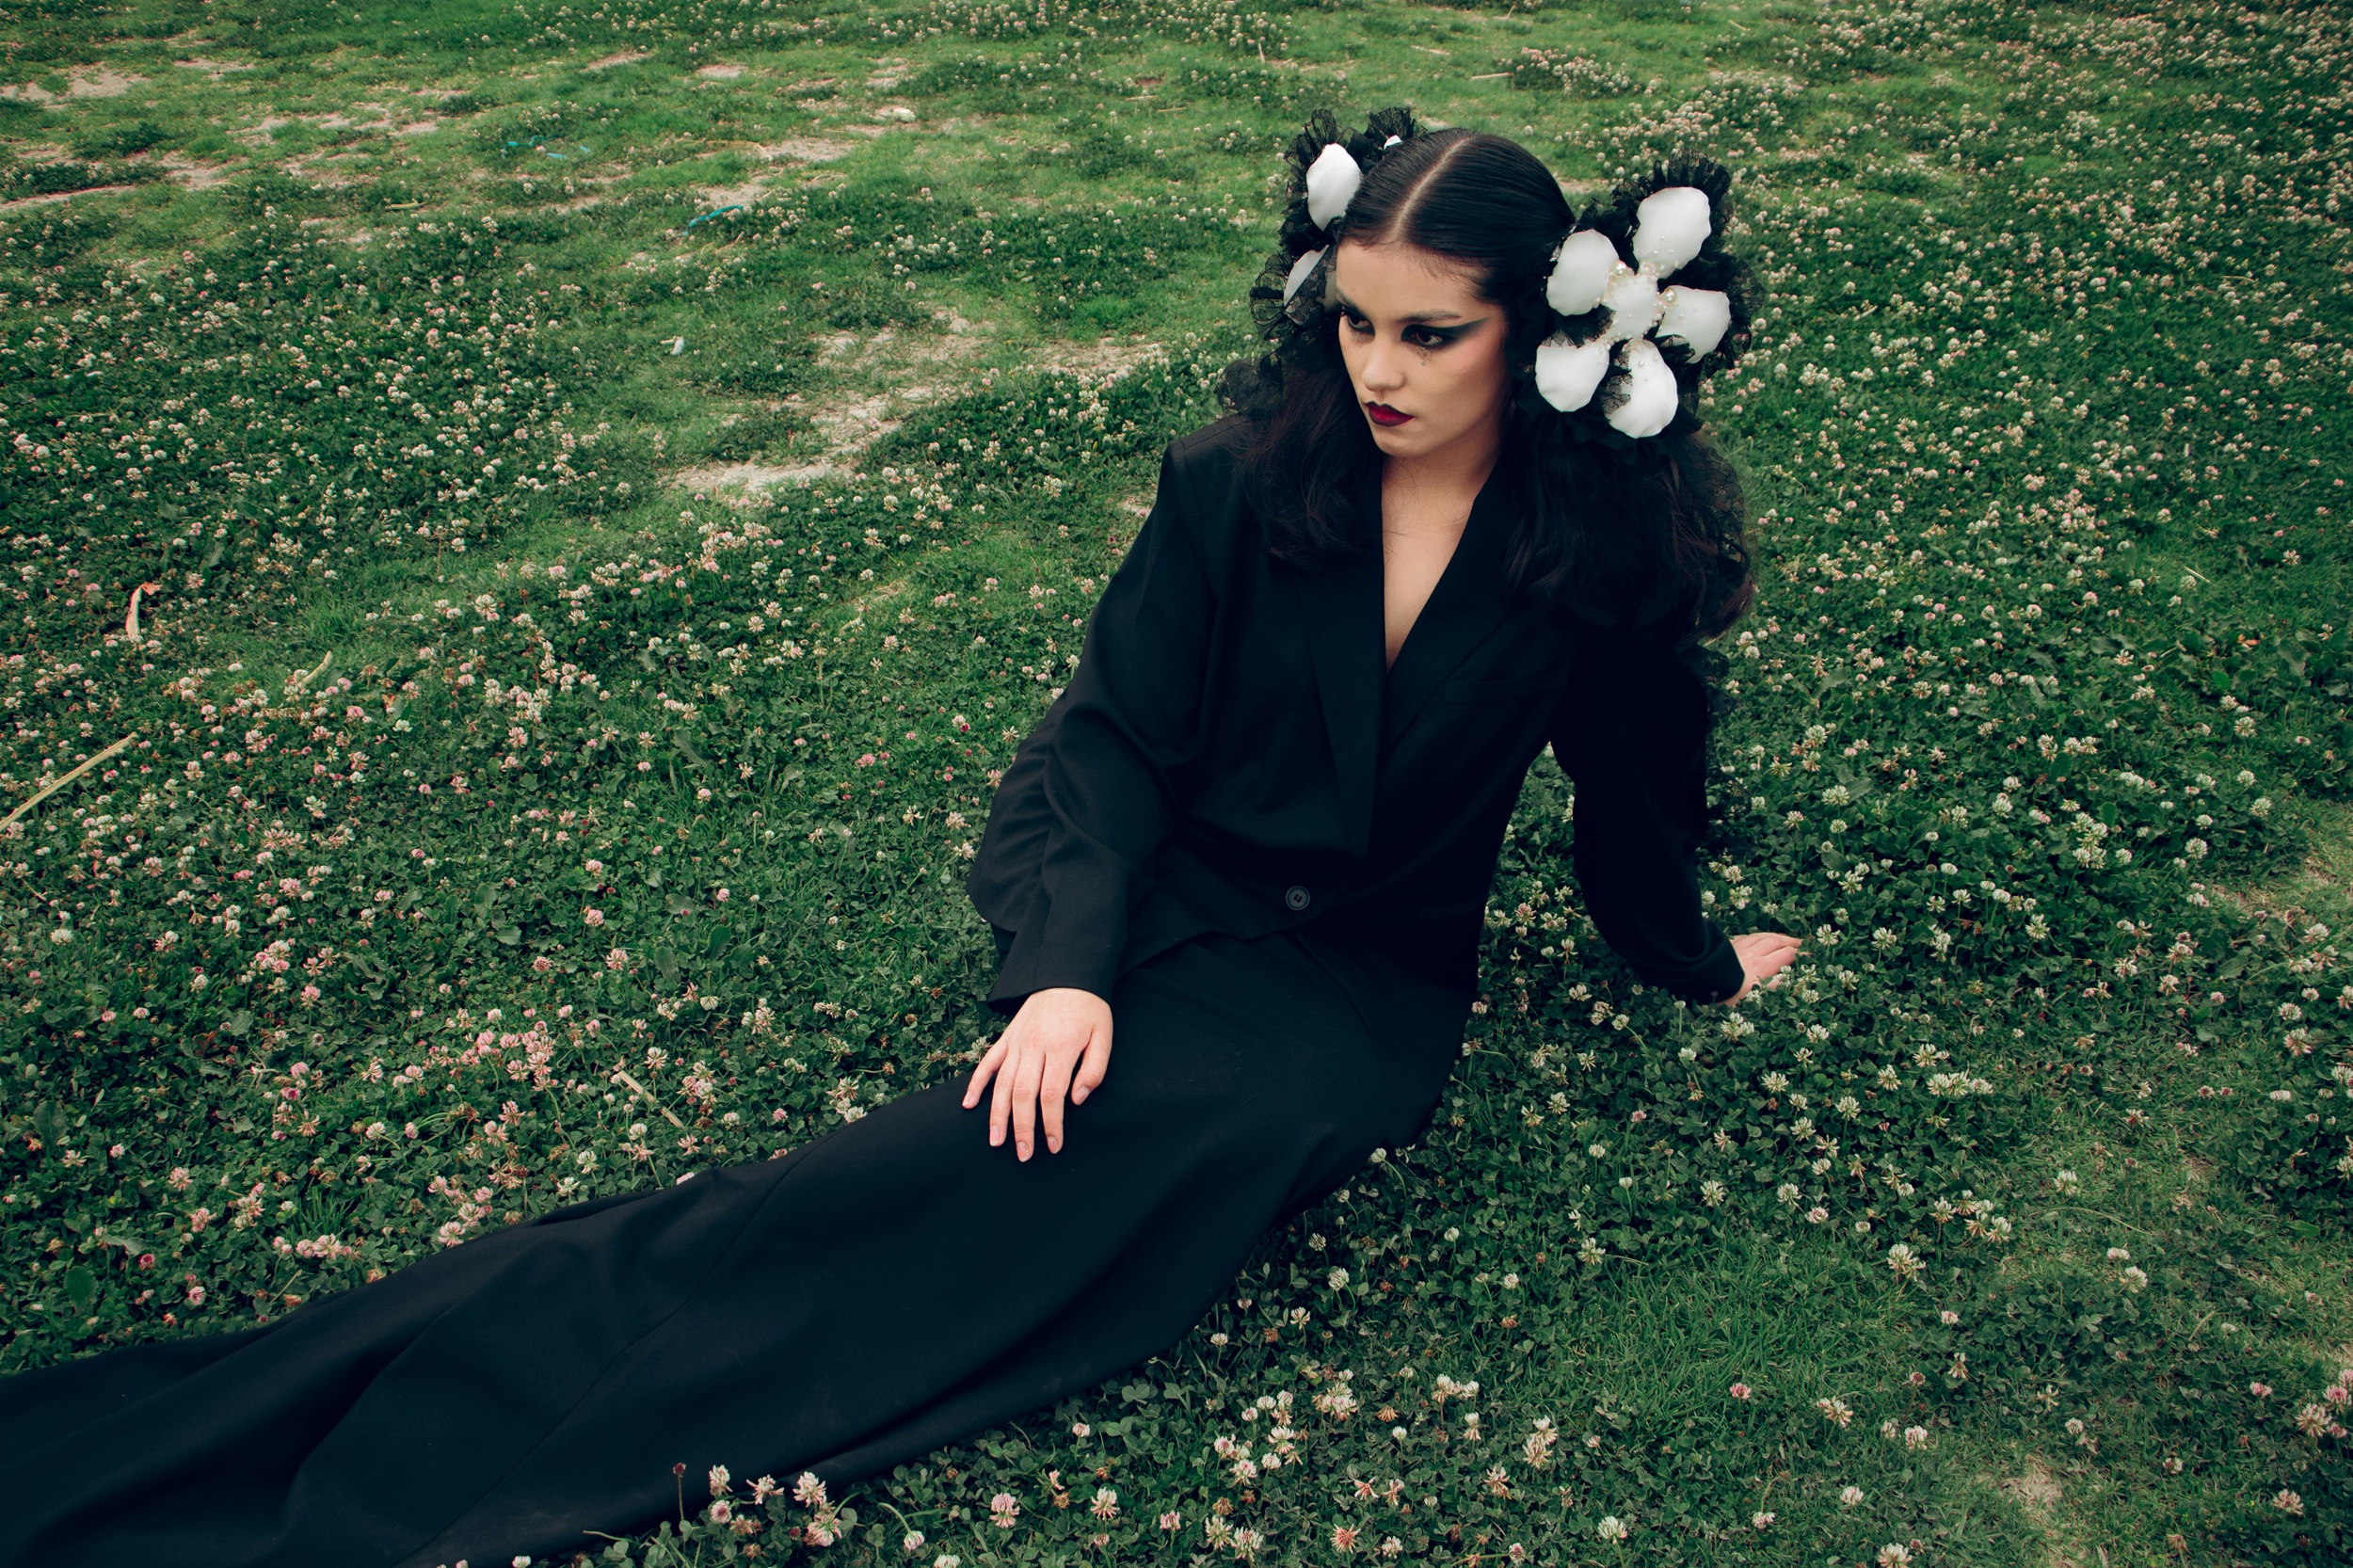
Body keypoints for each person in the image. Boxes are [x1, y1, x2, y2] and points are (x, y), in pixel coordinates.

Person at [0, 108, 1799, 1568]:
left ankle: (656, 1352)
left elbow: (1638, 792)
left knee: (1188, 1121)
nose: (1379, 369)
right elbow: (1110, 739)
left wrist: (1695, 959)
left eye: (1432, 332)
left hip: (1355, 980)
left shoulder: (1592, 562)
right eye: (1353, 320)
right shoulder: (1243, 479)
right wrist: (1069, 971)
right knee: (979, 1132)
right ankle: (456, 1389)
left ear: (1542, 334)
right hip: (1155, 861)